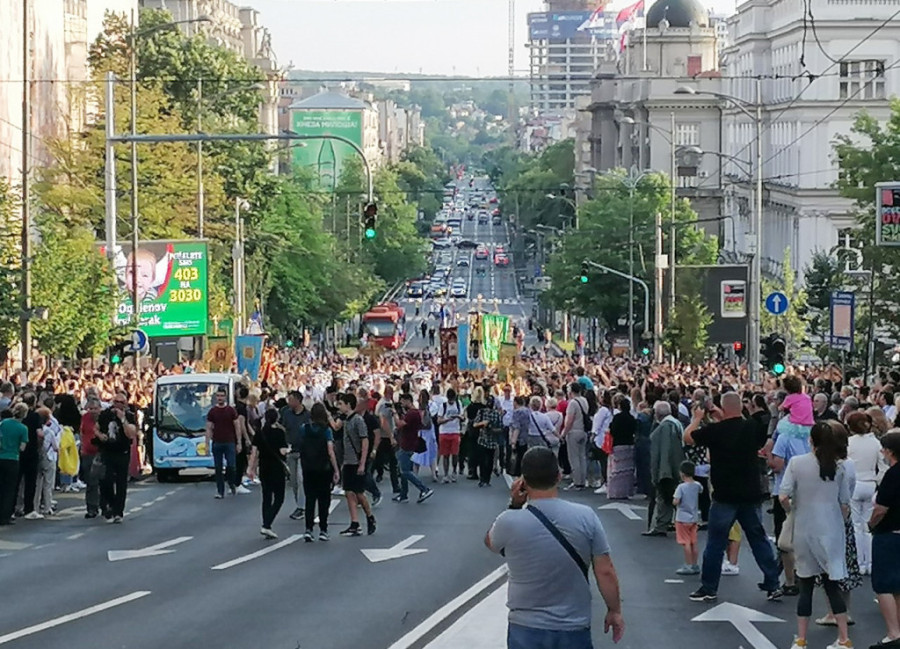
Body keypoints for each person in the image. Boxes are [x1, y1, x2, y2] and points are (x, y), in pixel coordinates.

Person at [484, 447, 625, 649]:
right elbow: (605, 571)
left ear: (523, 481)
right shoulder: (586, 516)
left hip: (525, 627)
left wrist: (514, 504)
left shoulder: (508, 521)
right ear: (558, 476)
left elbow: (490, 542)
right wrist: (614, 610)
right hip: (573, 627)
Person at [684, 392, 782, 602]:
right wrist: (724, 415)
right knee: (758, 539)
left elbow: (688, 437)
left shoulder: (716, 431)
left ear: (723, 408)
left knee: (716, 543)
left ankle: (709, 587)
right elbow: (744, 426)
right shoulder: (751, 427)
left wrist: (698, 418)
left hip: (725, 494)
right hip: (750, 492)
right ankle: (773, 582)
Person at [779, 422, 853, 649]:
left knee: (805, 585)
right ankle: (844, 638)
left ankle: (801, 639)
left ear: (811, 440)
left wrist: (791, 511)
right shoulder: (839, 467)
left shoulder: (797, 463)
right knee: (832, 586)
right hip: (832, 530)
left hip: (805, 528)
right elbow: (844, 504)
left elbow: (783, 496)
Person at [869, 431, 900, 649]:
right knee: (898, 585)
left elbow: (881, 508)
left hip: (888, 532)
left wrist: (871, 523)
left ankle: (893, 632)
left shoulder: (892, 474)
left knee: (883, 585)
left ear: (889, 451)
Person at [845, 411, 883, 576]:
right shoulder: (876, 443)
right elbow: (882, 467)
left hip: (855, 484)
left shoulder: (849, 443)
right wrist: (878, 482)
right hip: (870, 483)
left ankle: (860, 563)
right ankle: (871, 563)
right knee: (868, 526)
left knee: (856, 525)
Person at [299, 403, 341, 542]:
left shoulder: (304, 429)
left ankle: (308, 529)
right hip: (324, 469)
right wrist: (336, 469)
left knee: (310, 499)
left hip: (308, 468)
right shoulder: (326, 431)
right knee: (324, 500)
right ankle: (323, 529)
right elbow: (330, 451)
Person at [94, 391, 137, 523]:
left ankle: (118, 512)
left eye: (121, 402)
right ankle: (112, 504)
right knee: (105, 481)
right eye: (116, 402)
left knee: (121, 483)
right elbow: (96, 428)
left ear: (125, 404)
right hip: (107, 451)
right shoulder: (106, 414)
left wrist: (123, 419)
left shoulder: (129, 416)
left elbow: (131, 434)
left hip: (122, 452)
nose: (118, 405)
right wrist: (100, 435)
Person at [337, 392, 375, 536]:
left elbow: (365, 441)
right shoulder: (346, 420)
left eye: (341, 404)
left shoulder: (358, 420)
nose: (339, 407)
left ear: (348, 405)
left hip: (357, 461)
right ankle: (354, 523)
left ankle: (369, 516)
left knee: (359, 493)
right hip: (348, 461)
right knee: (348, 492)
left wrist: (362, 463)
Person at [644, 401, 684, 537]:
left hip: (665, 468)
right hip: (675, 466)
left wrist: (662, 472)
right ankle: (671, 523)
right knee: (672, 497)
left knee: (664, 497)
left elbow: (663, 451)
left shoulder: (665, 427)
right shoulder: (675, 424)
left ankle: (661, 525)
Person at [252, 408, 289, 540]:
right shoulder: (279, 432)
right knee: (279, 497)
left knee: (266, 496)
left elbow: (254, 453)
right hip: (277, 468)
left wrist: (251, 469)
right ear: (276, 419)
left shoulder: (260, 433)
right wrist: (288, 450)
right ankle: (267, 524)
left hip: (264, 467)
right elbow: (283, 451)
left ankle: (266, 524)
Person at [393, 392, 434, 504]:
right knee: (404, 470)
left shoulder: (411, 413)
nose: (401, 404)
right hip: (410, 443)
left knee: (405, 471)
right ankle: (403, 494)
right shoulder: (413, 413)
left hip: (407, 444)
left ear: (408, 401)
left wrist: (395, 414)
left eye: (402, 401)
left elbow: (399, 424)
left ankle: (424, 489)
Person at [205, 388, 241, 499]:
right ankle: (220, 491)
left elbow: (237, 426)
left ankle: (231, 483)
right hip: (217, 442)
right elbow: (209, 428)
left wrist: (239, 442)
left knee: (231, 466)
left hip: (230, 442)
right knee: (218, 468)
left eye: (222, 396)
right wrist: (207, 444)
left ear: (225, 397)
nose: (220, 398)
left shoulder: (231, 410)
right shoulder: (212, 412)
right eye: (218, 396)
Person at [280, 391, 310, 520]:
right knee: (293, 481)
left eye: (291, 400)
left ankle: (302, 507)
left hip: (304, 451)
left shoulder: (307, 415)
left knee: (301, 479)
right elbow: (283, 427)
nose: (289, 402)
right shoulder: (286, 413)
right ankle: (300, 504)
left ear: (298, 400)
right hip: (291, 450)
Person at [0, 404, 29, 526]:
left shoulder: (3, 423)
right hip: (13, 458)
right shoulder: (23, 428)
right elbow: (22, 447)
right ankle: (5, 516)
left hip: (1, 457)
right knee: (10, 489)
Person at [674, 460, 703, 576]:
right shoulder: (697, 485)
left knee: (685, 542)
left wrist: (674, 502)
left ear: (682, 473)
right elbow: (701, 490)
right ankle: (695, 564)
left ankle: (688, 564)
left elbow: (676, 501)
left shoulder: (681, 487)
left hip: (682, 518)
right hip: (694, 518)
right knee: (693, 542)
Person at [561, 382, 590, 490]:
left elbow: (569, 420)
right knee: (582, 457)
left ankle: (577, 482)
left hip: (574, 431)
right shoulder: (584, 400)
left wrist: (564, 433)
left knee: (574, 458)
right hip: (583, 430)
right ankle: (582, 480)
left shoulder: (572, 403)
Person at [607, 396, 636, 499]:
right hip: (629, 443)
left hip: (618, 444)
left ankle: (615, 492)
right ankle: (627, 491)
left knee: (616, 470)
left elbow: (612, 430)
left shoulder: (617, 417)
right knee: (628, 471)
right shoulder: (632, 418)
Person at [437, 388, 464, 483]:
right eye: (450, 400)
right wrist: (447, 419)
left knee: (455, 454)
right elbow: (439, 420)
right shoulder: (443, 406)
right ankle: (445, 474)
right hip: (444, 432)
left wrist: (458, 417)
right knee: (445, 455)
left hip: (455, 431)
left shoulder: (458, 404)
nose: (451, 402)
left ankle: (454, 471)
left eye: (452, 399)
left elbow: (462, 417)